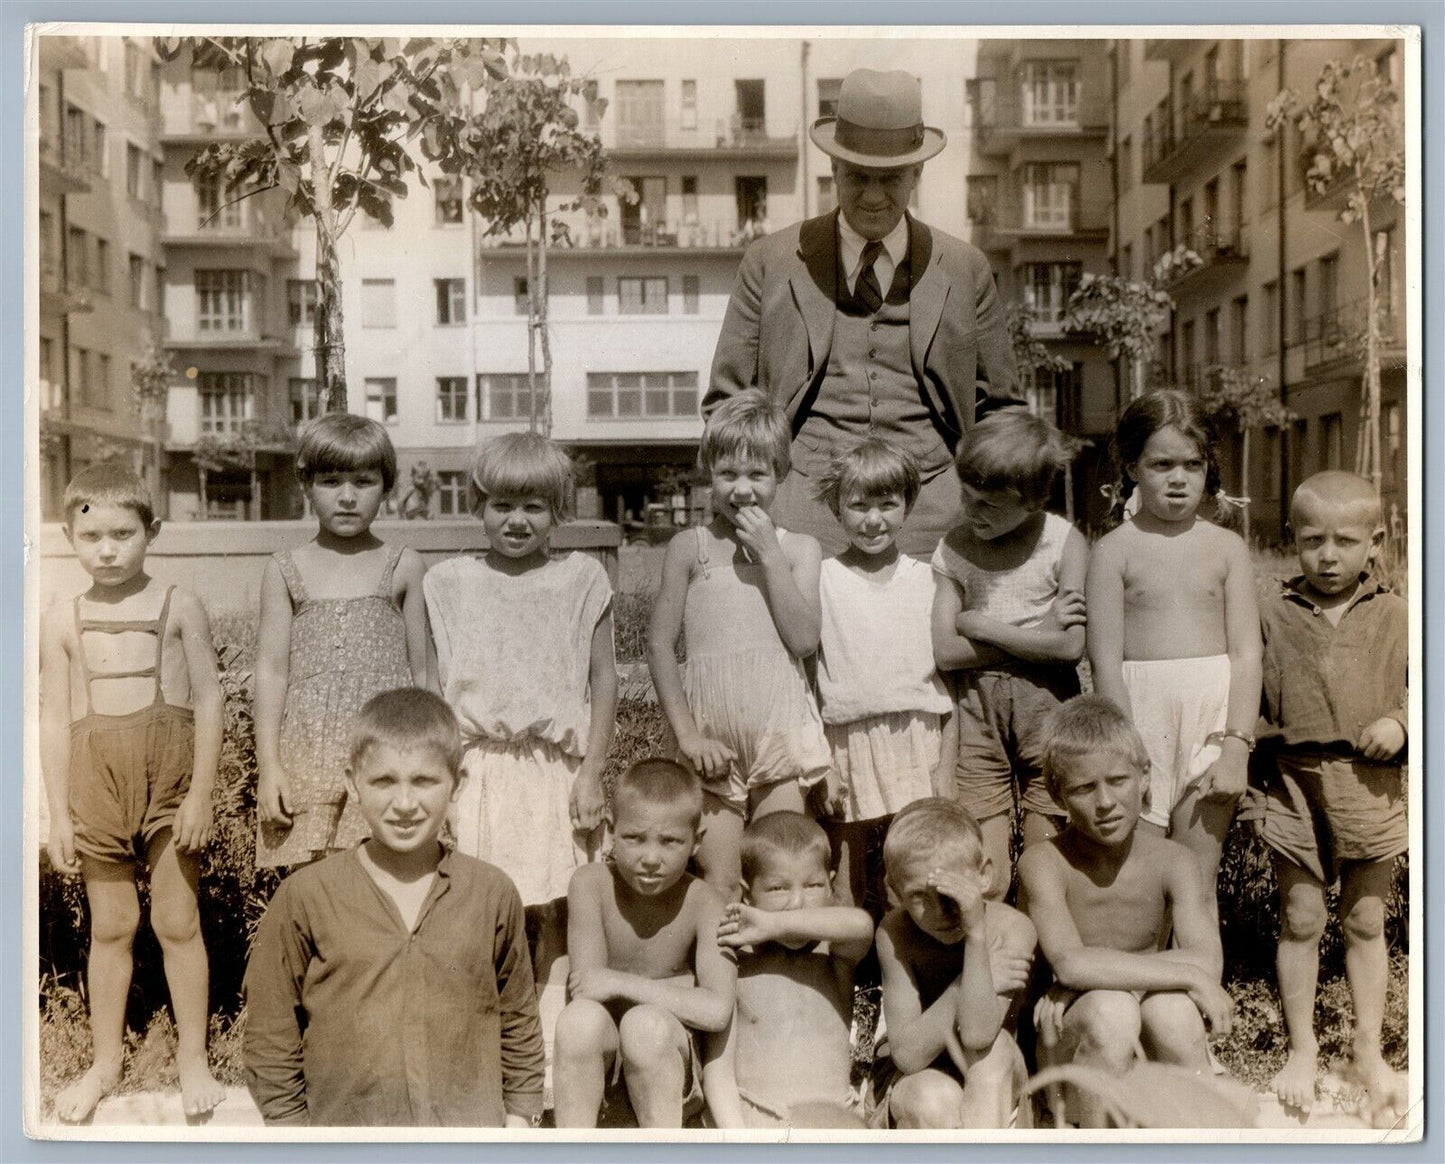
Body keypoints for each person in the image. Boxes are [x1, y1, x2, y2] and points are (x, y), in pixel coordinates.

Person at [706, 67, 1020, 556]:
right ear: (833, 169)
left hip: (935, 512)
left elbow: (1002, 410)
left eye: (891, 177)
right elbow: (725, 405)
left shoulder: (965, 269)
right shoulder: (770, 262)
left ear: (917, 173)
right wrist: (754, 507)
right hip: (802, 508)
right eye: (857, 176)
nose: (873, 196)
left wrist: (993, 514)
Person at [243, 688, 544, 1127]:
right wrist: (293, 1136)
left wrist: (517, 1123)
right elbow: (271, 1031)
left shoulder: (490, 893)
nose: (404, 804)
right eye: (384, 781)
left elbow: (518, 1016)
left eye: (424, 781)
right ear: (352, 783)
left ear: (456, 785)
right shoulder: (306, 896)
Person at [40, 464, 226, 1121]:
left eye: (124, 534)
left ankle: (193, 1059)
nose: (108, 550)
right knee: (112, 926)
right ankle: (105, 1061)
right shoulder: (62, 618)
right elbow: (53, 720)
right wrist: (57, 813)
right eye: (91, 538)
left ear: (153, 531)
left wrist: (200, 795)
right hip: (98, 784)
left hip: (168, 782)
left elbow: (209, 698)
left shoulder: (179, 604)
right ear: (70, 537)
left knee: (178, 921)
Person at [423, 432, 617, 1025]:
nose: (516, 521)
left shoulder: (581, 579)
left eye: (533, 506)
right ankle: (489, 1022)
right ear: (478, 506)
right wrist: (445, 782)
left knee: (559, 905)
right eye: (502, 505)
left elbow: (604, 682)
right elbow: (434, 690)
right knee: (481, 901)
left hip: (554, 767)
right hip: (477, 768)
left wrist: (592, 772)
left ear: (558, 511)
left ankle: (556, 1028)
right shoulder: (450, 583)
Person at [1254, 472, 1408, 1121]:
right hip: (1292, 782)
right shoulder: (1271, 611)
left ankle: (1366, 1047)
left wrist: (1402, 723)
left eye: (1344, 542)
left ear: (1374, 543)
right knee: (1300, 919)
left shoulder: (1398, 613)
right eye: (1311, 539)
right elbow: (1247, 692)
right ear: (1291, 537)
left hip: (1370, 788)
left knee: (1365, 921)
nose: (1326, 555)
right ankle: (1301, 1048)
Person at [1086, 390, 1263, 926]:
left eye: (1193, 464)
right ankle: (1139, 994)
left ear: (1210, 468)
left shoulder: (1226, 547)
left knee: (1195, 878)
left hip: (1211, 720)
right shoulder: (1113, 550)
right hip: (1139, 720)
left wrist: (1236, 745)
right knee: (1137, 877)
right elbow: (1104, 659)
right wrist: (1125, 747)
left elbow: (1247, 652)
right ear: (1132, 468)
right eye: (1161, 465)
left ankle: (1199, 1000)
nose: (1179, 479)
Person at [1018, 695, 1233, 1129]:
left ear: (1145, 777)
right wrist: (1181, 972)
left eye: (1118, 780)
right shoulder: (1044, 862)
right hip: (1073, 1041)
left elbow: (1206, 960)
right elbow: (1070, 962)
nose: (1105, 802)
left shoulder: (1175, 860)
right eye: (1083, 788)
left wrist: (1100, 977)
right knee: (1111, 1012)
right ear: (1059, 795)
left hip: (1142, 1032)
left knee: (1171, 1014)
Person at [648, 391, 831, 900]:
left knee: (782, 874)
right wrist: (688, 737)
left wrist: (770, 555)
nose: (743, 490)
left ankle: (784, 977)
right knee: (721, 882)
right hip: (710, 742)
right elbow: (660, 645)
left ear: (781, 474)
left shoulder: (798, 549)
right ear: (708, 472)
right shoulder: (692, 548)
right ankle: (724, 979)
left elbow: (803, 638)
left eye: (758, 475)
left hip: (777, 738)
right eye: (728, 474)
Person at [254, 413, 428, 869]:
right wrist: (269, 765)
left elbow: (425, 674)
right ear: (306, 486)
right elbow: (271, 673)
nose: (348, 497)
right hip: (308, 754)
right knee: (317, 888)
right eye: (331, 481)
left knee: (387, 881)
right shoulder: (285, 569)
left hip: (387, 750)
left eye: (364, 481)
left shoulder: (404, 565)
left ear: (387, 487)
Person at [930, 409, 1087, 899]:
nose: (972, 512)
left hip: (1050, 710)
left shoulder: (1062, 541)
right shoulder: (953, 547)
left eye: (990, 506)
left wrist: (982, 625)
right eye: (966, 496)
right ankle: (995, 960)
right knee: (988, 872)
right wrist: (1034, 634)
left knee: (1048, 860)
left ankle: (1044, 962)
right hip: (976, 715)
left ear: (1034, 500)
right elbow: (945, 652)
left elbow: (1070, 647)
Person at [813, 438, 955, 913]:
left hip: (916, 736)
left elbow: (946, 682)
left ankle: (906, 975)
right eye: (858, 505)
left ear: (907, 507)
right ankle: (846, 983)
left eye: (887, 504)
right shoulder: (821, 578)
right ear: (837, 508)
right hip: (846, 739)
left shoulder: (928, 578)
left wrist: (946, 764)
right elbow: (809, 676)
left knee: (910, 871)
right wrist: (822, 763)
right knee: (845, 875)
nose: (873, 519)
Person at [552, 759, 736, 1128]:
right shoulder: (590, 884)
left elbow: (716, 1010)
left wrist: (621, 982)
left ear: (696, 841)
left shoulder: (704, 901)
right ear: (609, 832)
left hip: (665, 1059)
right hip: (602, 1053)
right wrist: (677, 989)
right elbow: (587, 989)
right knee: (577, 1021)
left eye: (670, 841)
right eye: (634, 838)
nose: (651, 858)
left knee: (644, 1026)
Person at [703, 812, 875, 1127]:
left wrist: (771, 922)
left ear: (830, 887)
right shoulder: (739, 963)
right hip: (758, 1119)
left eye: (812, 885)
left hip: (831, 1120)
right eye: (778, 889)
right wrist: (738, 1141)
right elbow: (718, 1069)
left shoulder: (833, 958)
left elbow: (861, 925)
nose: (797, 902)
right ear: (747, 892)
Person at [872, 798, 1035, 1128]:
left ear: (984, 877)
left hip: (994, 1082)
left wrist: (976, 935)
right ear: (894, 891)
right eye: (920, 896)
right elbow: (907, 1055)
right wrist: (963, 985)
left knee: (996, 1049)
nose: (940, 912)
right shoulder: (895, 932)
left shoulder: (1012, 928)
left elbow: (977, 1036)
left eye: (952, 893)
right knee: (935, 1096)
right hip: (916, 1078)